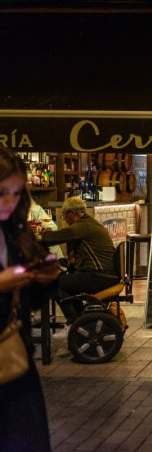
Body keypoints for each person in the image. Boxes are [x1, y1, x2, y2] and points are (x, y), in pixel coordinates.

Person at [0, 147, 61, 451]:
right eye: (1, 193)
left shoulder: (12, 232)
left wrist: (43, 280)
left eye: (16, 193)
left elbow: (23, 303)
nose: (9, 202)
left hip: (15, 359)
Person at [40, 196, 118, 339]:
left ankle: (73, 322)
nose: (64, 219)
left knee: (56, 283)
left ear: (73, 213)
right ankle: (79, 319)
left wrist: (41, 236)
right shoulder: (89, 224)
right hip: (105, 274)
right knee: (64, 279)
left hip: (100, 275)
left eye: (64, 215)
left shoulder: (83, 226)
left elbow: (57, 237)